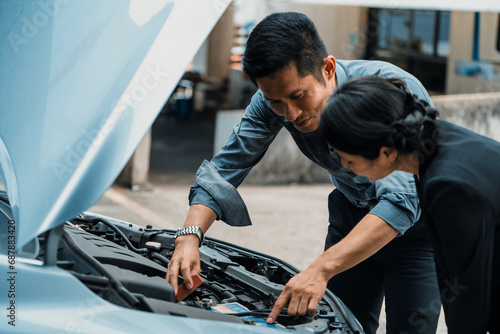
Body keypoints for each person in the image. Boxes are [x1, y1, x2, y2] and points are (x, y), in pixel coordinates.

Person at [166, 12, 441, 333]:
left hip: (418, 232)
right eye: (276, 102)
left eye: (298, 96)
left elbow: (401, 200)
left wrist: (319, 270)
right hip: (351, 213)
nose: (291, 114)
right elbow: (225, 169)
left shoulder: (392, 90)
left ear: (328, 68)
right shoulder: (272, 101)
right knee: (340, 325)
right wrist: (189, 237)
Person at [318, 75, 500, 333]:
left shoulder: (446, 185)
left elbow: (468, 287)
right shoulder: (437, 140)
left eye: (348, 160)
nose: (344, 168)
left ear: (386, 153)